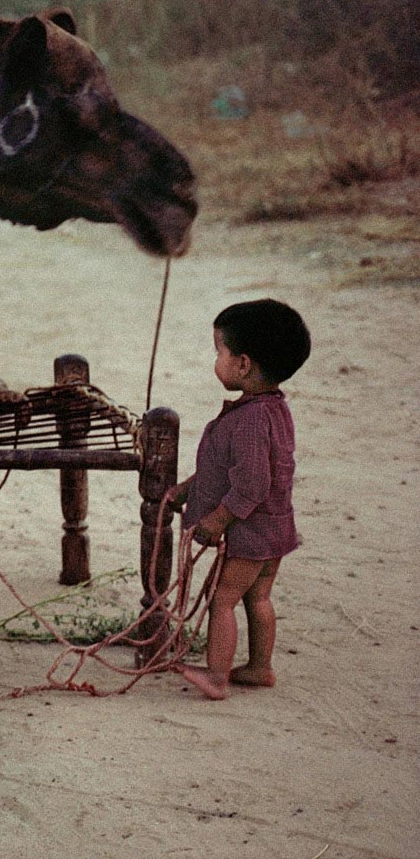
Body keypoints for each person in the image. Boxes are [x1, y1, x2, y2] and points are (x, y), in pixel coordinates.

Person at [172, 298, 310, 701]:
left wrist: (216, 520)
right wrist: (186, 489)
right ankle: (260, 668)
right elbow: (228, 469)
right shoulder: (273, 408)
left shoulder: (248, 421)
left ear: (243, 365)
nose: (216, 360)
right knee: (260, 596)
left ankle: (217, 678)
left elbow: (250, 483)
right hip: (277, 528)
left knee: (223, 601)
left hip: (250, 533)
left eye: (220, 352)